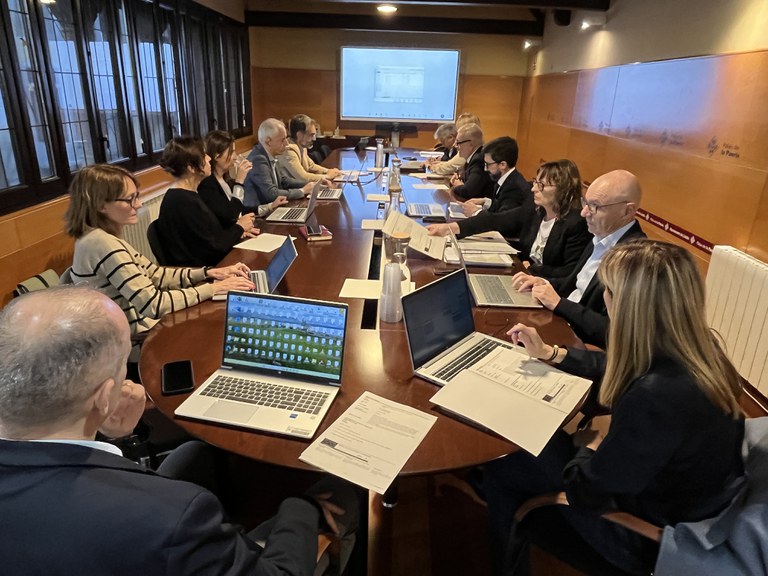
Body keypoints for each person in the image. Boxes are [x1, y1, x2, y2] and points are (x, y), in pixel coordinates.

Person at [0, 286, 358, 576]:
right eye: (123, 367)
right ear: (105, 397)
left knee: (194, 453)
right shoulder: (174, 516)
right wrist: (300, 506)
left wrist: (103, 429)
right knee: (347, 490)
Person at [485, 239, 745, 576]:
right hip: (688, 500)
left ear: (627, 304)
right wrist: (552, 353)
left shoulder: (654, 399)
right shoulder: (703, 350)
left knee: (507, 461)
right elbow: (624, 364)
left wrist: (591, 444)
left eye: (608, 290)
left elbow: (586, 492)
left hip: (644, 538)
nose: (605, 299)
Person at [65, 164, 254, 361]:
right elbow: (153, 304)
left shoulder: (98, 237)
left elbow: (155, 274)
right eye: (130, 199)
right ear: (100, 205)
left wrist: (207, 273)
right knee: (223, 337)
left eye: (137, 196)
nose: (138, 204)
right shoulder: (102, 244)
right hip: (134, 344)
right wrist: (213, 289)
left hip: (138, 333)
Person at [511, 169, 646, 347]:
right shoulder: (599, 235)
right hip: (563, 321)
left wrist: (560, 304)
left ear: (627, 211)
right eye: (585, 203)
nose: (584, 213)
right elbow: (575, 285)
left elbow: (615, 332)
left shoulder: (637, 259)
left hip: (582, 343)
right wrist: (542, 283)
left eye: (595, 206)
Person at [154, 136, 259, 267]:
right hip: (205, 270)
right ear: (191, 168)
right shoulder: (184, 202)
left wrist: (237, 232)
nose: (209, 158)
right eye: (204, 156)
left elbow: (212, 236)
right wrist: (240, 227)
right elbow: (215, 247)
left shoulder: (186, 195)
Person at [198, 130, 288, 227]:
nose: (235, 157)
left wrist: (270, 206)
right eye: (231, 152)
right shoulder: (207, 184)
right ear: (216, 155)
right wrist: (239, 182)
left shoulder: (225, 179)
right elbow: (231, 215)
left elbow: (240, 210)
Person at [244, 118, 316, 206]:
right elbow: (271, 194)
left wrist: (311, 184)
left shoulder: (272, 154)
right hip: (259, 212)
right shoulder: (258, 159)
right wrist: (302, 191)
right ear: (268, 142)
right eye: (283, 140)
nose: (287, 143)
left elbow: (283, 180)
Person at [454, 136, 531, 217]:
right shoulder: (505, 179)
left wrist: (476, 213)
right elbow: (500, 205)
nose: (485, 169)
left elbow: (503, 220)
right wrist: (485, 201)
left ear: (503, 165)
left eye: (488, 164)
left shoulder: (514, 189)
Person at [277, 114, 341, 183]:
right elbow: (302, 177)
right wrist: (327, 176)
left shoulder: (302, 146)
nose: (314, 139)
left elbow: (311, 166)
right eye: (311, 135)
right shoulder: (289, 150)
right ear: (299, 135)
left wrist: (328, 171)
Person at [449, 123, 493, 200]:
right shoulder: (474, 156)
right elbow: (468, 182)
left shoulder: (479, 160)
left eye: (458, 143)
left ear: (471, 144)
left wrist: (457, 185)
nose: (455, 146)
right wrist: (459, 179)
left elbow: (468, 191)